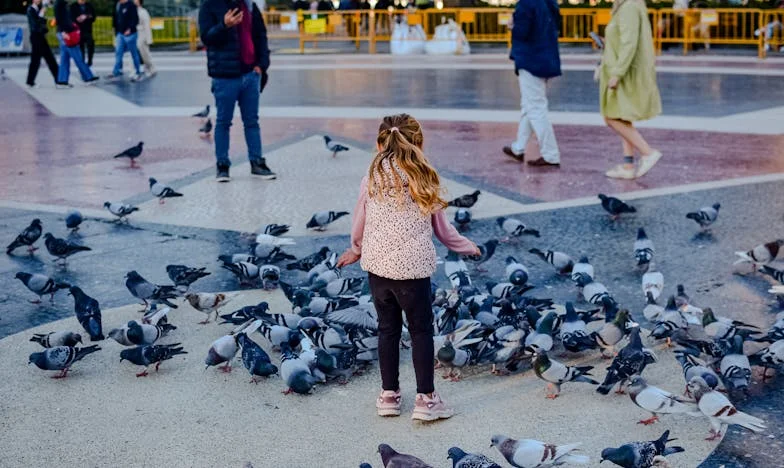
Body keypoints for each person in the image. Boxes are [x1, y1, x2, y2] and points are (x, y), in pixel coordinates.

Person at [337, 114, 480, 422]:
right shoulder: (424, 177)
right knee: (420, 332)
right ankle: (426, 399)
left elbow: (359, 221)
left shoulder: (371, 178)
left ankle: (388, 395)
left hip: (377, 270)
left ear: (378, 144)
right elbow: (443, 229)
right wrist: (466, 247)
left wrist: (355, 249)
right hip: (413, 273)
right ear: (420, 143)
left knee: (387, 330)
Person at [199, 0, 276, 181]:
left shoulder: (249, 5)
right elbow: (206, 38)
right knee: (223, 122)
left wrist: (261, 65)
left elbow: (260, 36)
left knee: (252, 121)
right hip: (225, 76)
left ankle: (257, 163)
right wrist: (224, 25)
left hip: (250, 74)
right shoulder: (210, 4)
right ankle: (222, 166)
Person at [599, 0, 662, 179]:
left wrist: (617, 73)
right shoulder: (628, 7)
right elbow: (625, 40)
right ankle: (628, 166)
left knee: (611, 116)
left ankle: (647, 152)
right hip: (622, 70)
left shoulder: (628, 8)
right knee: (621, 116)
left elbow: (629, 44)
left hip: (624, 73)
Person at [502, 0, 561, 168]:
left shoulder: (526, 3)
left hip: (530, 60)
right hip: (547, 59)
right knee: (529, 105)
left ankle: (551, 155)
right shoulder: (550, 2)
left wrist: (512, 25)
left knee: (535, 108)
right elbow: (557, 25)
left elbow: (522, 32)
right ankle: (518, 148)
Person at [54, 0, 98, 88]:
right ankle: (88, 77)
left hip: (63, 32)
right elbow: (61, 19)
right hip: (67, 33)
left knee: (65, 58)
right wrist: (66, 31)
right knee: (77, 56)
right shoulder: (61, 4)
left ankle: (62, 81)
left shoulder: (60, 3)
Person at [26, 0, 59, 88]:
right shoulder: (31, 10)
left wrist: (42, 14)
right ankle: (59, 80)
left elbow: (42, 23)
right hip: (36, 37)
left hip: (40, 37)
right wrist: (41, 15)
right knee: (44, 59)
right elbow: (35, 25)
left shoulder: (38, 9)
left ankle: (30, 81)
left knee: (44, 59)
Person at [108, 0, 144, 82]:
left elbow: (135, 19)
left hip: (130, 34)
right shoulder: (119, 5)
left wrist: (130, 29)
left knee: (133, 53)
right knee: (118, 52)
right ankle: (116, 71)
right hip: (120, 33)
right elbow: (116, 18)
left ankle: (137, 71)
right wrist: (116, 30)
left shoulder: (131, 5)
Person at [70, 0, 95, 66]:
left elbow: (93, 16)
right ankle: (82, 62)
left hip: (88, 30)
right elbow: (71, 17)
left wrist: (86, 16)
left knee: (90, 45)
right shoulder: (73, 6)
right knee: (80, 47)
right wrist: (77, 19)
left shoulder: (89, 5)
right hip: (78, 30)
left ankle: (90, 60)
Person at [134, 0, 155, 76]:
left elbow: (147, 26)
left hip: (143, 34)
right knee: (133, 53)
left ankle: (151, 68)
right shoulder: (132, 10)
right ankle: (135, 70)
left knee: (145, 53)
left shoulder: (143, 12)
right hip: (134, 34)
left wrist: (149, 39)